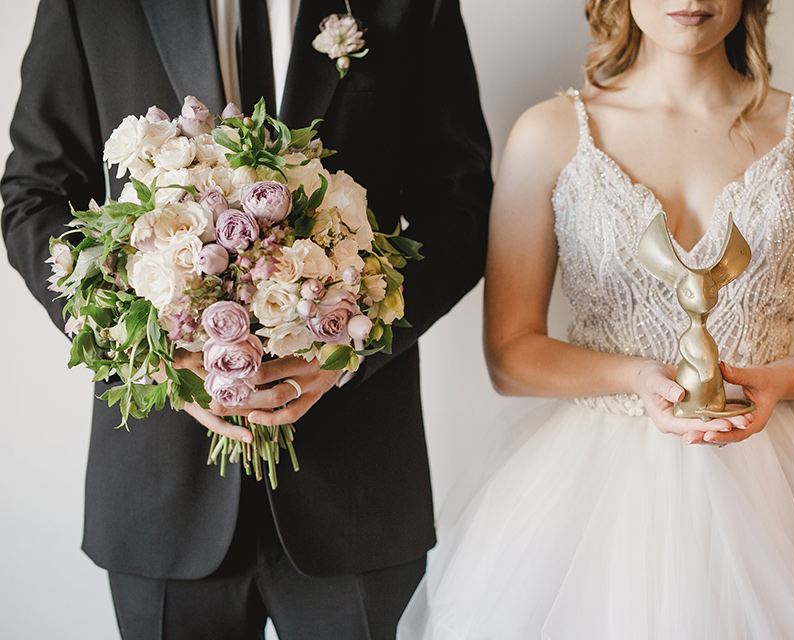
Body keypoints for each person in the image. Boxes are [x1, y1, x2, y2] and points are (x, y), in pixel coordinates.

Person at [397, 0, 794, 638]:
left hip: (777, 492)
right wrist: (638, 378)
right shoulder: (550, 133)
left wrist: (774, 382)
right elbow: (511, 355)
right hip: (593, 503)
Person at [1, 0, 491, 638]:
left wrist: (352, 346)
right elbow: (32, 197)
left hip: (357, 489)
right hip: (163, 491)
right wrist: (146, 349)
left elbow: (460, 203)